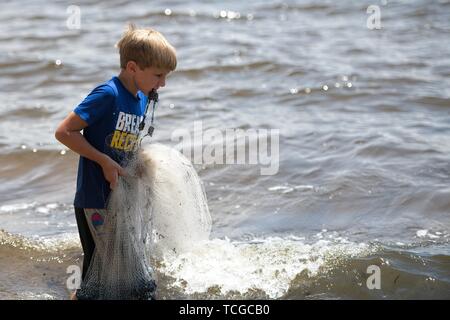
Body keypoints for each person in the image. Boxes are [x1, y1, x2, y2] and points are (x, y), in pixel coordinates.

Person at [54, 24, 177, 299]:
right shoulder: (108, 94)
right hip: (95, 198)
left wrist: (139, 165)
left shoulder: (141, 99)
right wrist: (104, 162)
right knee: (98, 278)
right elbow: (64, 132)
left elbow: (126, 142)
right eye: (158, 75)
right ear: (132, 67)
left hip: (119, 198)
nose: (163, 84)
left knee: (108, 275)